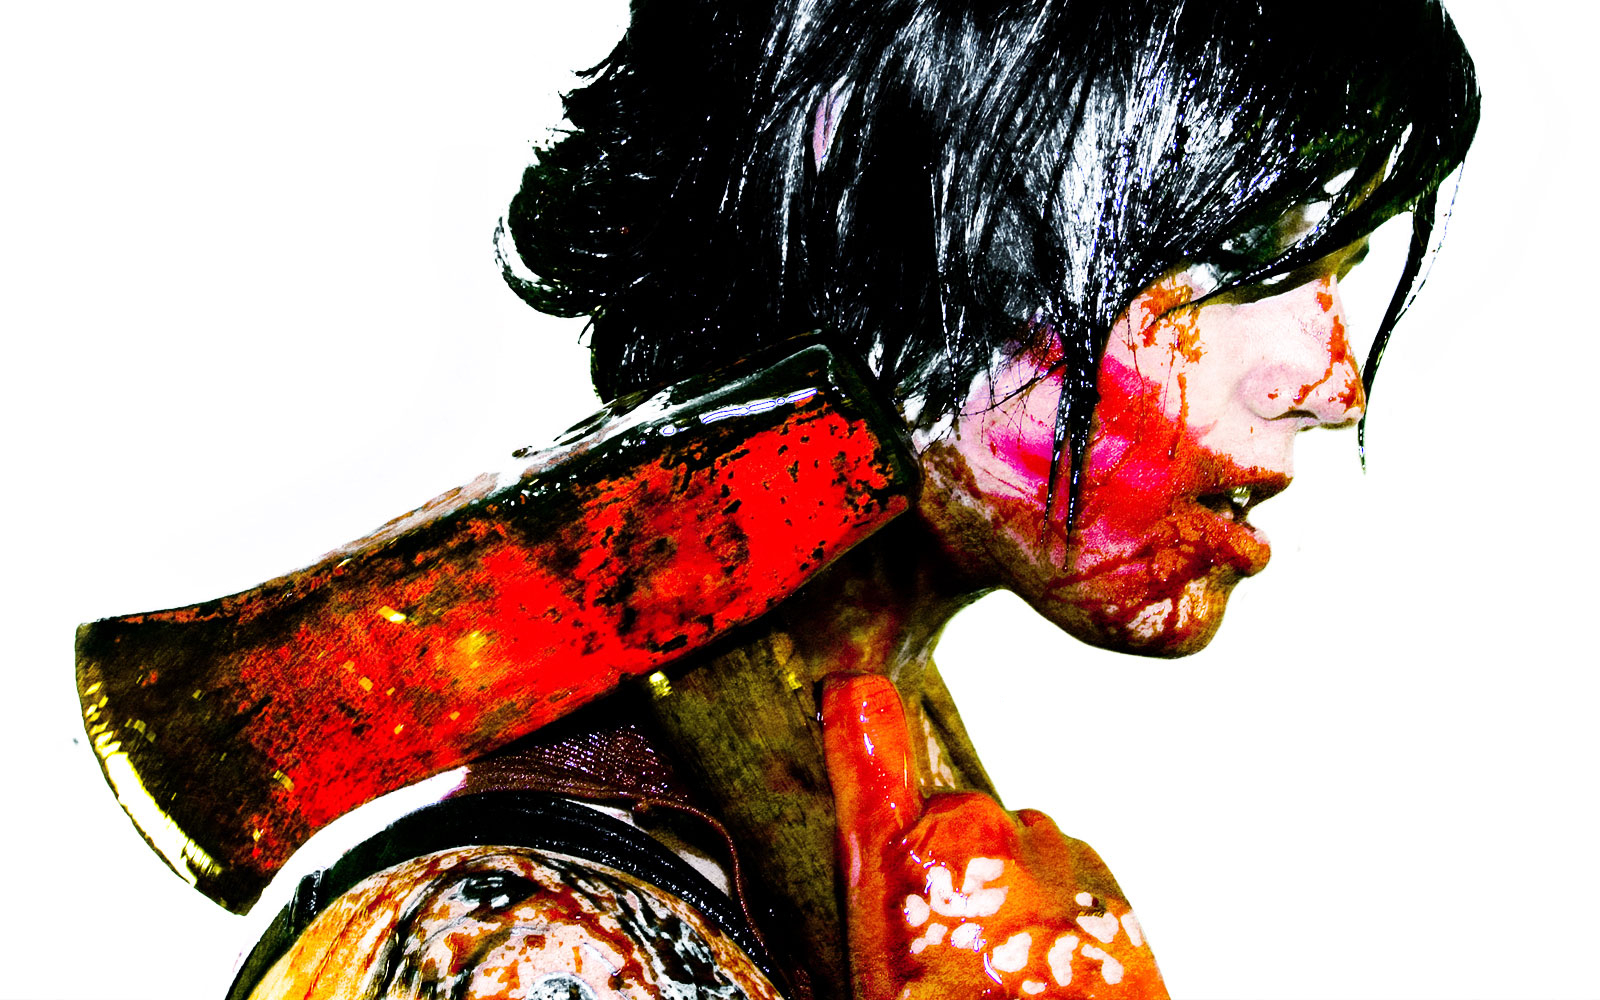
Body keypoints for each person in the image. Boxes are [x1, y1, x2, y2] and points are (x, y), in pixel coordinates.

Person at [141, 0, 1480, 997]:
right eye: (1250, 259)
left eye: (1344, 267)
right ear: (907, 216)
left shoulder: (893, 814)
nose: (1332, 383)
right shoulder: (527, 957)